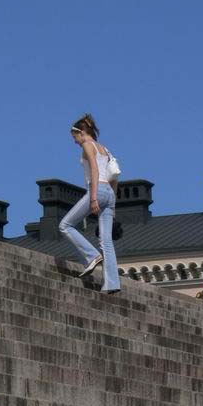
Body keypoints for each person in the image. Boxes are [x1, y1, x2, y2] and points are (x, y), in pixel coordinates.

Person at [58, 114, 120, 294]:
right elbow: (115, 175)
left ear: (82, 132)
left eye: (74, 136)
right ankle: (111, 284)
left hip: (97, 189)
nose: (74, 141)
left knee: (65, 225)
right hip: (109, 192)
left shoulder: (87, 145)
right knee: (106, 241)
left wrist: (93, 197)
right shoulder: (105, 149)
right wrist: (113, 203)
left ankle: (91, 256)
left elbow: (94, 168)